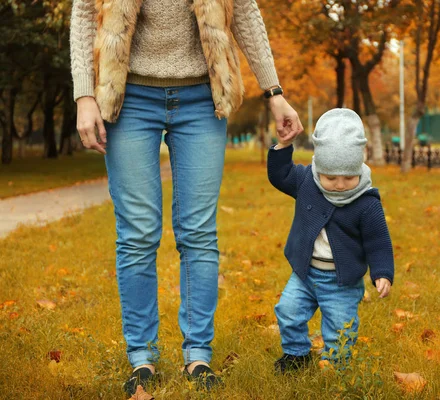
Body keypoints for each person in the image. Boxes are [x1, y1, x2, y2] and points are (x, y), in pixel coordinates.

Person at [69, 0, 302, 395]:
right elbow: (83, 13)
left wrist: (274, 91)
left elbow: (244, 11)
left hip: (202, 98)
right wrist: (84, 94)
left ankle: (198, 355)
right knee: (139, 234)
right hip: (129, 97)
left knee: (198, 232)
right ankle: (141, 358)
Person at [267, 108, 394, 373]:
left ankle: (336, 364)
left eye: (349, 177)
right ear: (318, 168)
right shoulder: (306, 182)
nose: (339, 184)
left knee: (339, 326)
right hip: (304, 273)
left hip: (341, 281)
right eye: (330, 177)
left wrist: (382, 272)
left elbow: (378, 241)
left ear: (359, 166)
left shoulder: (366, 202)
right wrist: (283, 146)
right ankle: (296, 354)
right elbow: (280, 176)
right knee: (288, 311)